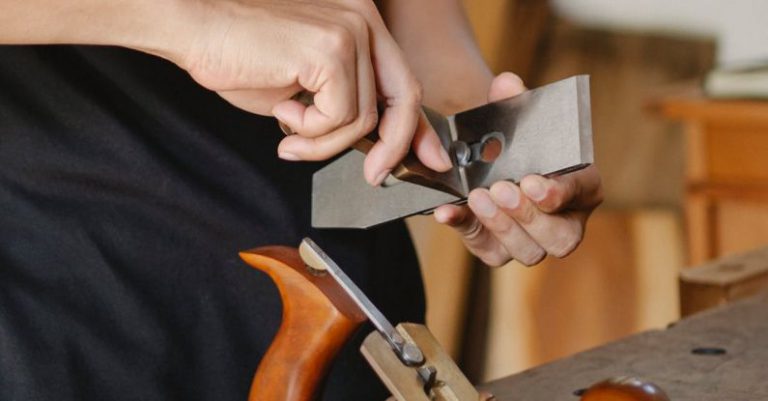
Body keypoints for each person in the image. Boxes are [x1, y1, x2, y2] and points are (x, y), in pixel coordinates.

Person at [0, 0, 602, 399]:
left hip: (341, 298)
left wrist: (483, 139)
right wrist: (194, 22)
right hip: (69, 295)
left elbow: (415, 19)